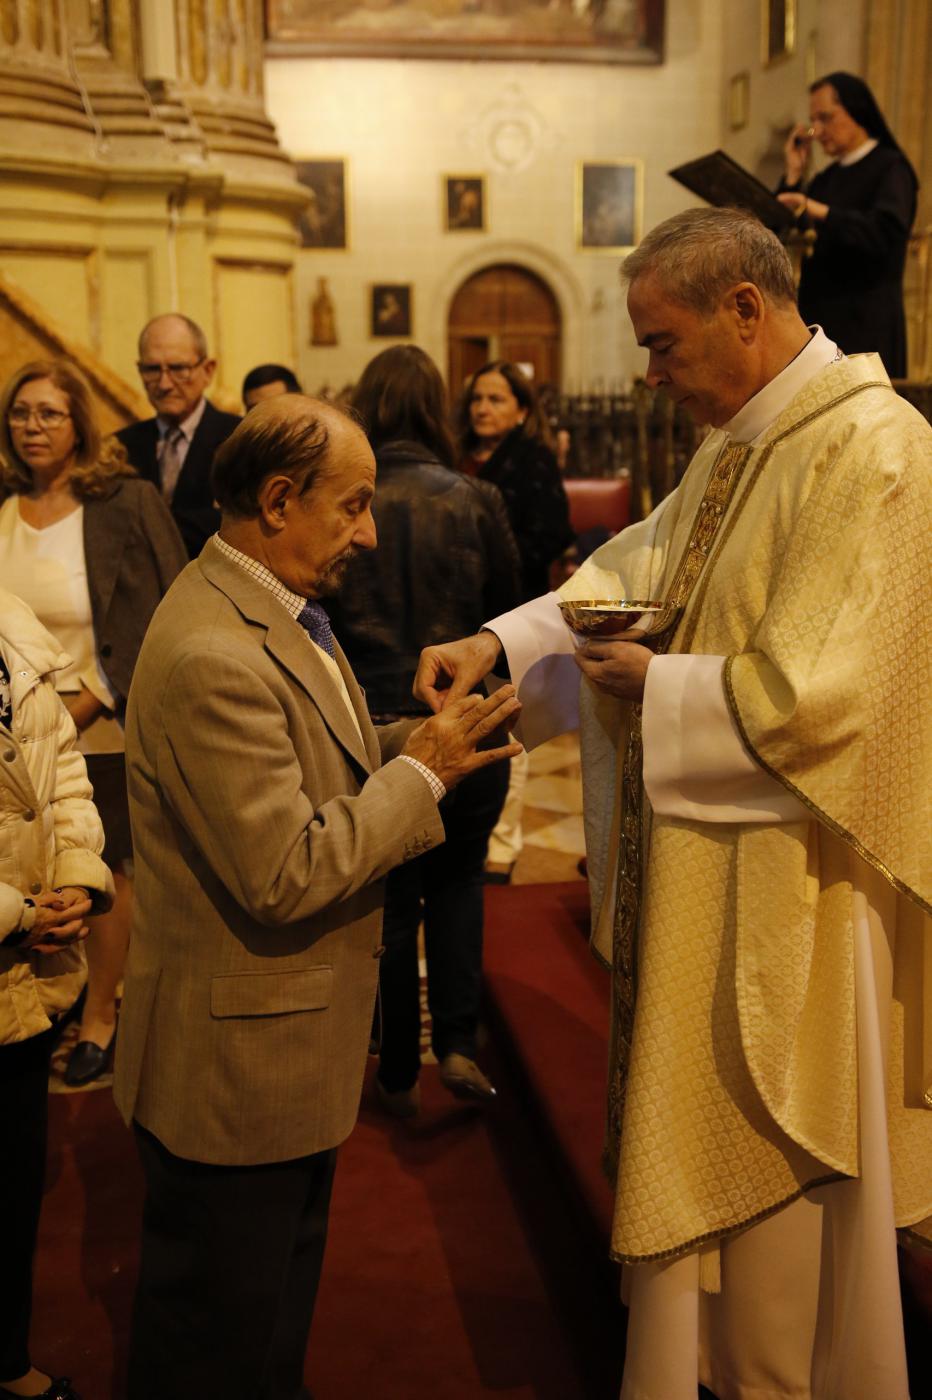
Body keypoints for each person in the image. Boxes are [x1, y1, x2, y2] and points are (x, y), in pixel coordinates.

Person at [414, 207, 932, 1400]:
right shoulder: (742, 440)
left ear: (744, 310)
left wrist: (668, 688)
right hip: (705, 873)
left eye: (661, 343)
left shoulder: (873, 447)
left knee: (778, 1176)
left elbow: (829, 691)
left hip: (795, 895)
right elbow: (627, 573)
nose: (651, 372)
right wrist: (498, 643)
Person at [113, 393, 520, 1400]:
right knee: (215, 1346)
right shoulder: (215, 649)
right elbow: (285, 867)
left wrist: (412, 745)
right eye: (353, 506)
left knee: (263, 1334)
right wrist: (419, 775)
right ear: (280, 499)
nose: (369, 531)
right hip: (233, 1072)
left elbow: (313, 764)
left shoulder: (264, 601)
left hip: (279, 1055)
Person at [326, 345, 521, 1114]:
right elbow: (506, 616)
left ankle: (398, 1060)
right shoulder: (473, 498)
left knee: (391, 894)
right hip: (464, 720)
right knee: (461, 876)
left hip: (372, 728)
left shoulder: (348, 505)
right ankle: (460, 1044)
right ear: (437, 407)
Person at [0, 360, 188, 1088]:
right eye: (21, 413)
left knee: (98, 870)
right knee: (23, 865)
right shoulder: (4, 502)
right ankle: (43, 993)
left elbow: (165, 606)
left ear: (79, 420)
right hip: (12, 733)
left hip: (100, 718)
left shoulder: (124, 502)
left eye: (49, 413)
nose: (33, 427)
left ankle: (101, 1013)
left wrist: (85, 705)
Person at [0, 587, 114, 1400]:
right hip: (13, 932)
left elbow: (63, 769)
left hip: (24, 979)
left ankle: (5, 1360)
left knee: (11, 1179)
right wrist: (12, 914)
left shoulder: (9, 613)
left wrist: (75, 876)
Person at [457, 361, 573, 881]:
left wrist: (494, 560)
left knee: (508, 728)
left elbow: (553, 533)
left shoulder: (532, 459)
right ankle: (467, 837)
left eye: (497, 399)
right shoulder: (458, 455)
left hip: (510, 606)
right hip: (461, 610)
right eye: (478, 398)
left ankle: (500, 848)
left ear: (522, 410)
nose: (483, 408)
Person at [777, 70, 919, 378]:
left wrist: (821, 211)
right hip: (823, 324)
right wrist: (793, 174)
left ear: (856, 110)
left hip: (868, 322)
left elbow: (885, 233)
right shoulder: (826, 179)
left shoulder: (891, 168)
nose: (817, 130)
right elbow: (781, 228)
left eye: (825, 118)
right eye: (813, 120)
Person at [117, 313, 240, 557]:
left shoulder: (240, 439)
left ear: (208, 370)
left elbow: (236, 528)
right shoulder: (119, 448)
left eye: (178, 369)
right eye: (152, 369)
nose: (164, 384)